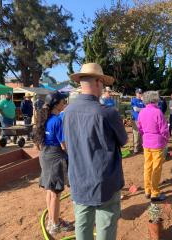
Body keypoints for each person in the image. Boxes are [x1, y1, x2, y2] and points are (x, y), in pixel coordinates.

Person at [64, 63, 128, 240]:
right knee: (105, 226)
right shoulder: (108, 113)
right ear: (99, 82)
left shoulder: (67, 111)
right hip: (104, 181)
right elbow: (123, 140)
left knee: (82, 224)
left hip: (78, 179)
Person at [33, 91, 72, 235]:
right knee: (56, 193)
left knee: (50, 190)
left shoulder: (45, 118)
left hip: (45, 155)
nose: (64, 104)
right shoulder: (57, 120)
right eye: (63, 102)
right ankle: (55, 225)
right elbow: (64, 145)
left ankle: (52, 220)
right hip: (55, 156)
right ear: (56, 104)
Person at [138, 91, 169, 202]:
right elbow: (164, 130)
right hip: (157, 144)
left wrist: (145, 136)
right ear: (154, 100)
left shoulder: (142, 112)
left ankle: (147, 190)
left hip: (146, 143)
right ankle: (155, 193)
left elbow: (140, 128)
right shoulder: (158, 112)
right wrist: (166, 140)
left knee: (148, 166)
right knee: (156, 168)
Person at [131, 88, 145, 154]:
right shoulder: (134, 100)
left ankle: (141, 147)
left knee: (142, 133)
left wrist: (144, 101)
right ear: (136, 93)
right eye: (139, 93)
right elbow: (136, 109)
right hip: (135, 119)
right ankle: (136, 149)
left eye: (141, 93)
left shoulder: (143, 101)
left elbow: (147, 107)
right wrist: (143, 109)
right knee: (136, 134)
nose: (140, 94)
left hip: (142, 119)